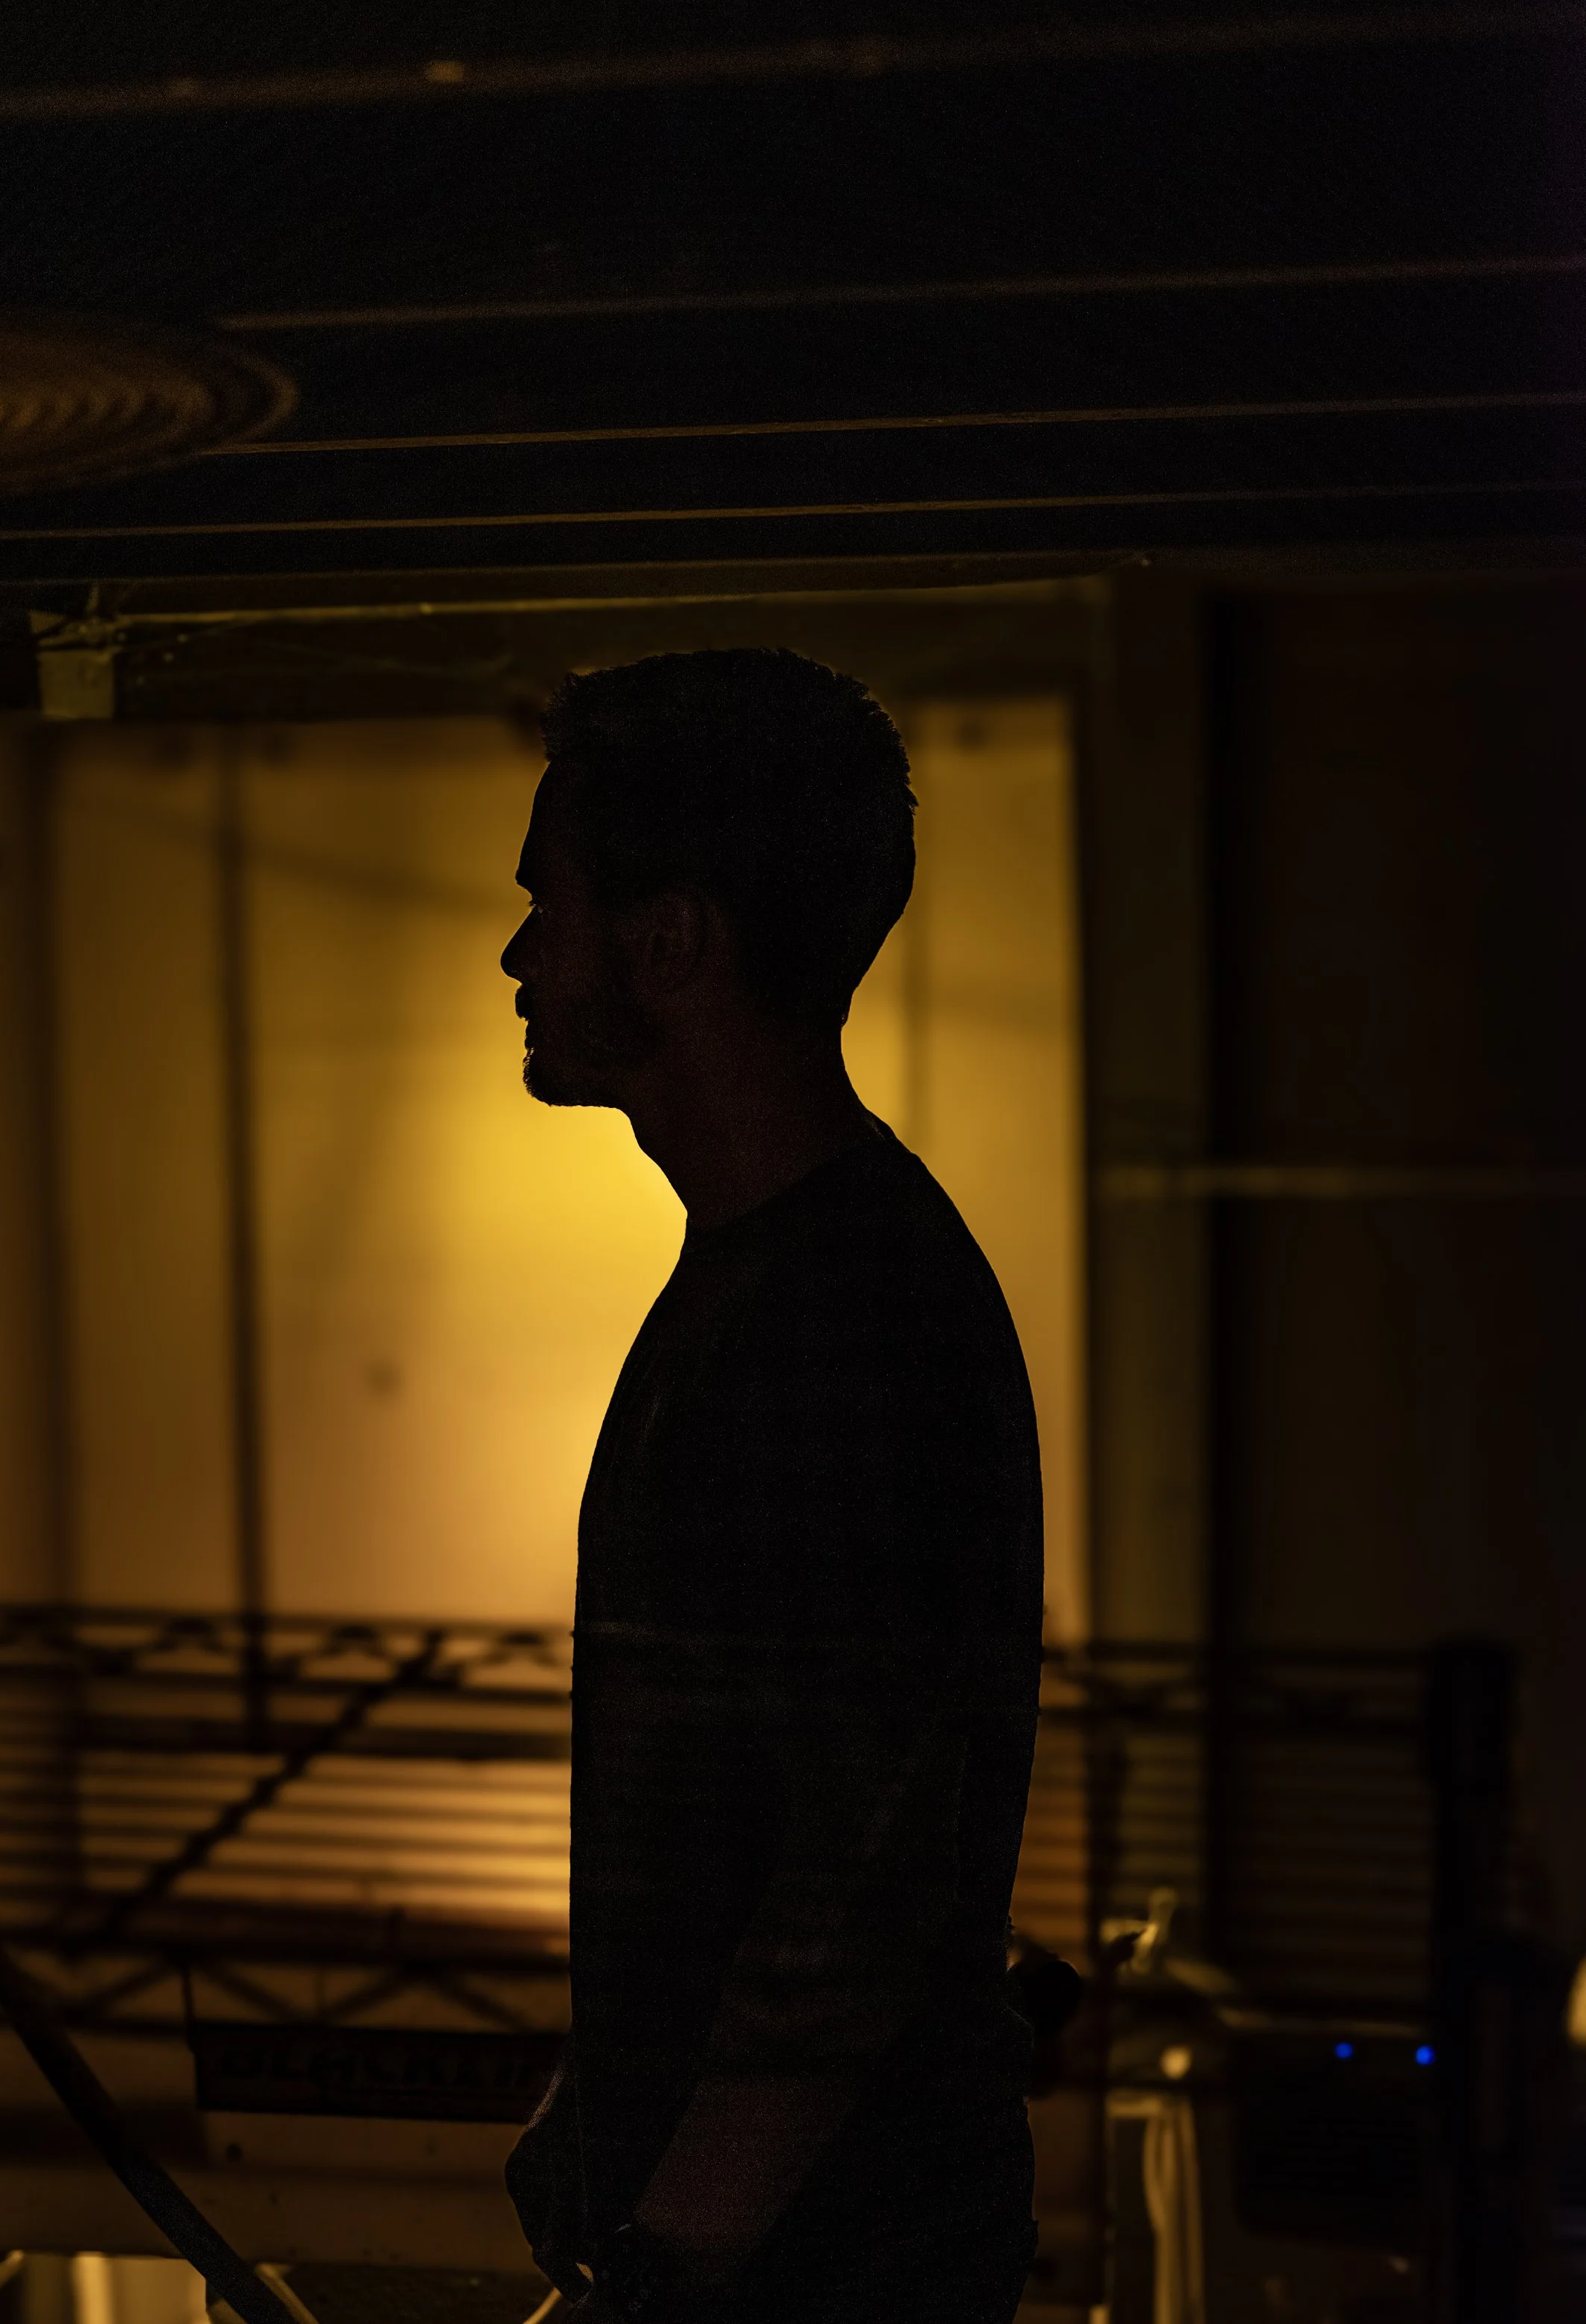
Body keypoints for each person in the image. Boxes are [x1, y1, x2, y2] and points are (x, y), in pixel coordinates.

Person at [499, 648, 1043, 2324]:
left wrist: (665, 2266)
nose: (517, 953)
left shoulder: (833, 1323)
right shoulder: (802, 1278)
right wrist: (596, 2132)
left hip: (817, 2273)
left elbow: (850, 1885)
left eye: (550, 905)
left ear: (670, 947)